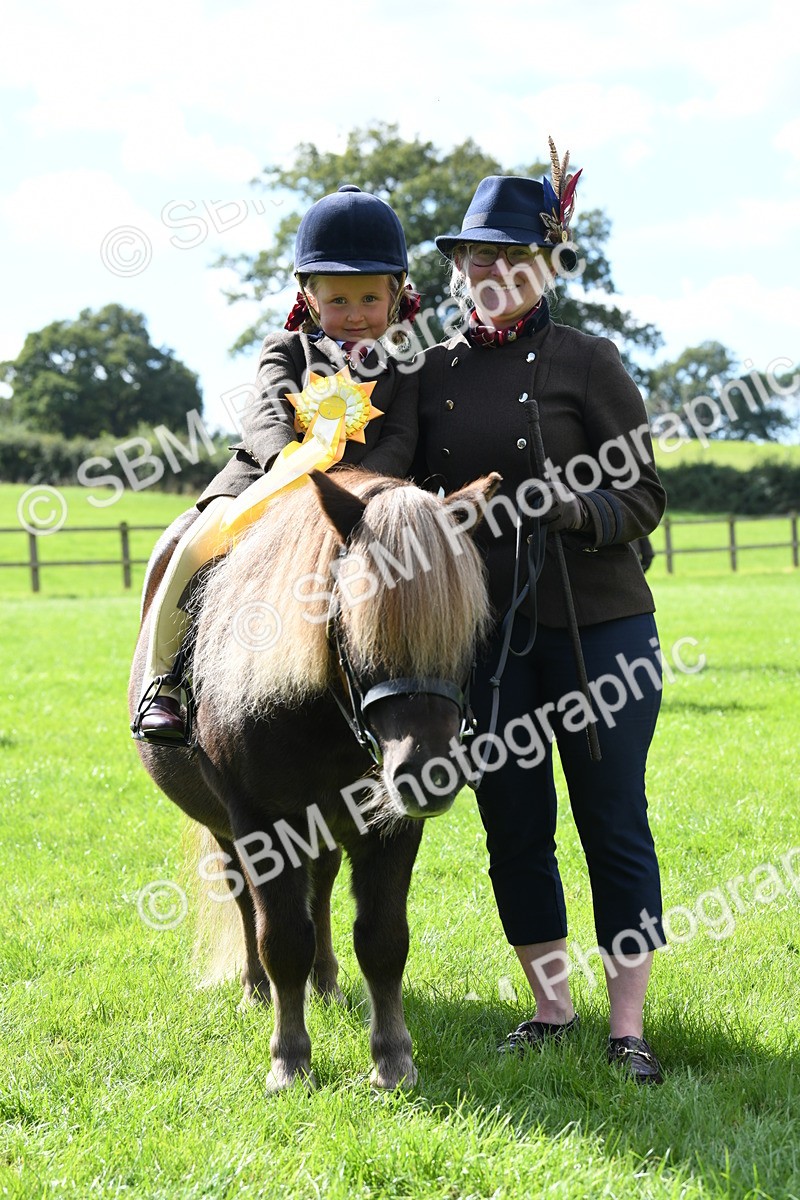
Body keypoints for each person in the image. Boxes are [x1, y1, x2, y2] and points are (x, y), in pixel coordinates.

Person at [412, 150, 667, 1083]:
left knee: (612, 818)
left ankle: (627, 1025)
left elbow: (643, 496)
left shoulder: (589, 362)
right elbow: (401, 489)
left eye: (507, 258)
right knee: (511, 821)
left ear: (546, 263)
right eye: (472, 259)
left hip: (597, 625)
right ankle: (551, 1004)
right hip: (484, 632)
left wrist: (570, 508)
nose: (487, 275)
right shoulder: (430, 370)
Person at [132, 184, 420, 743]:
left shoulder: (404, 367)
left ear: (395, 293)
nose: (354, 315)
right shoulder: (285, 348)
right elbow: (264, 417)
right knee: (186, 549)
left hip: (363, 500)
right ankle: (165, 682)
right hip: (264, 482)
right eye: (338, 301)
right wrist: (293, 468)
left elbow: (402, 440)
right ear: (310, 298)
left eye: (368, 300)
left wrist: (350, 489)